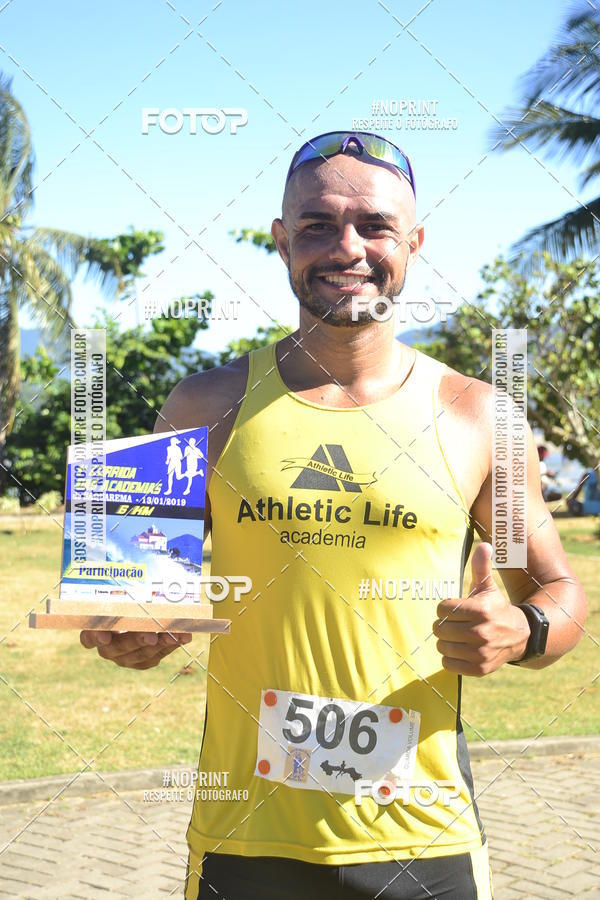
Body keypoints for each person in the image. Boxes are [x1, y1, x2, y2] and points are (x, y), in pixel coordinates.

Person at [81, 131, 588, 900]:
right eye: (317, 224)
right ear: (281, 240)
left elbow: (559, 594)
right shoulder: (205, 407)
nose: (346, 247)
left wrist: (525, 630)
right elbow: (127, 594)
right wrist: (129, 631)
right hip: (245, 842)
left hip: (426, 840)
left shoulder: (478, 417)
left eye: (375, 225)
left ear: (414, 242)